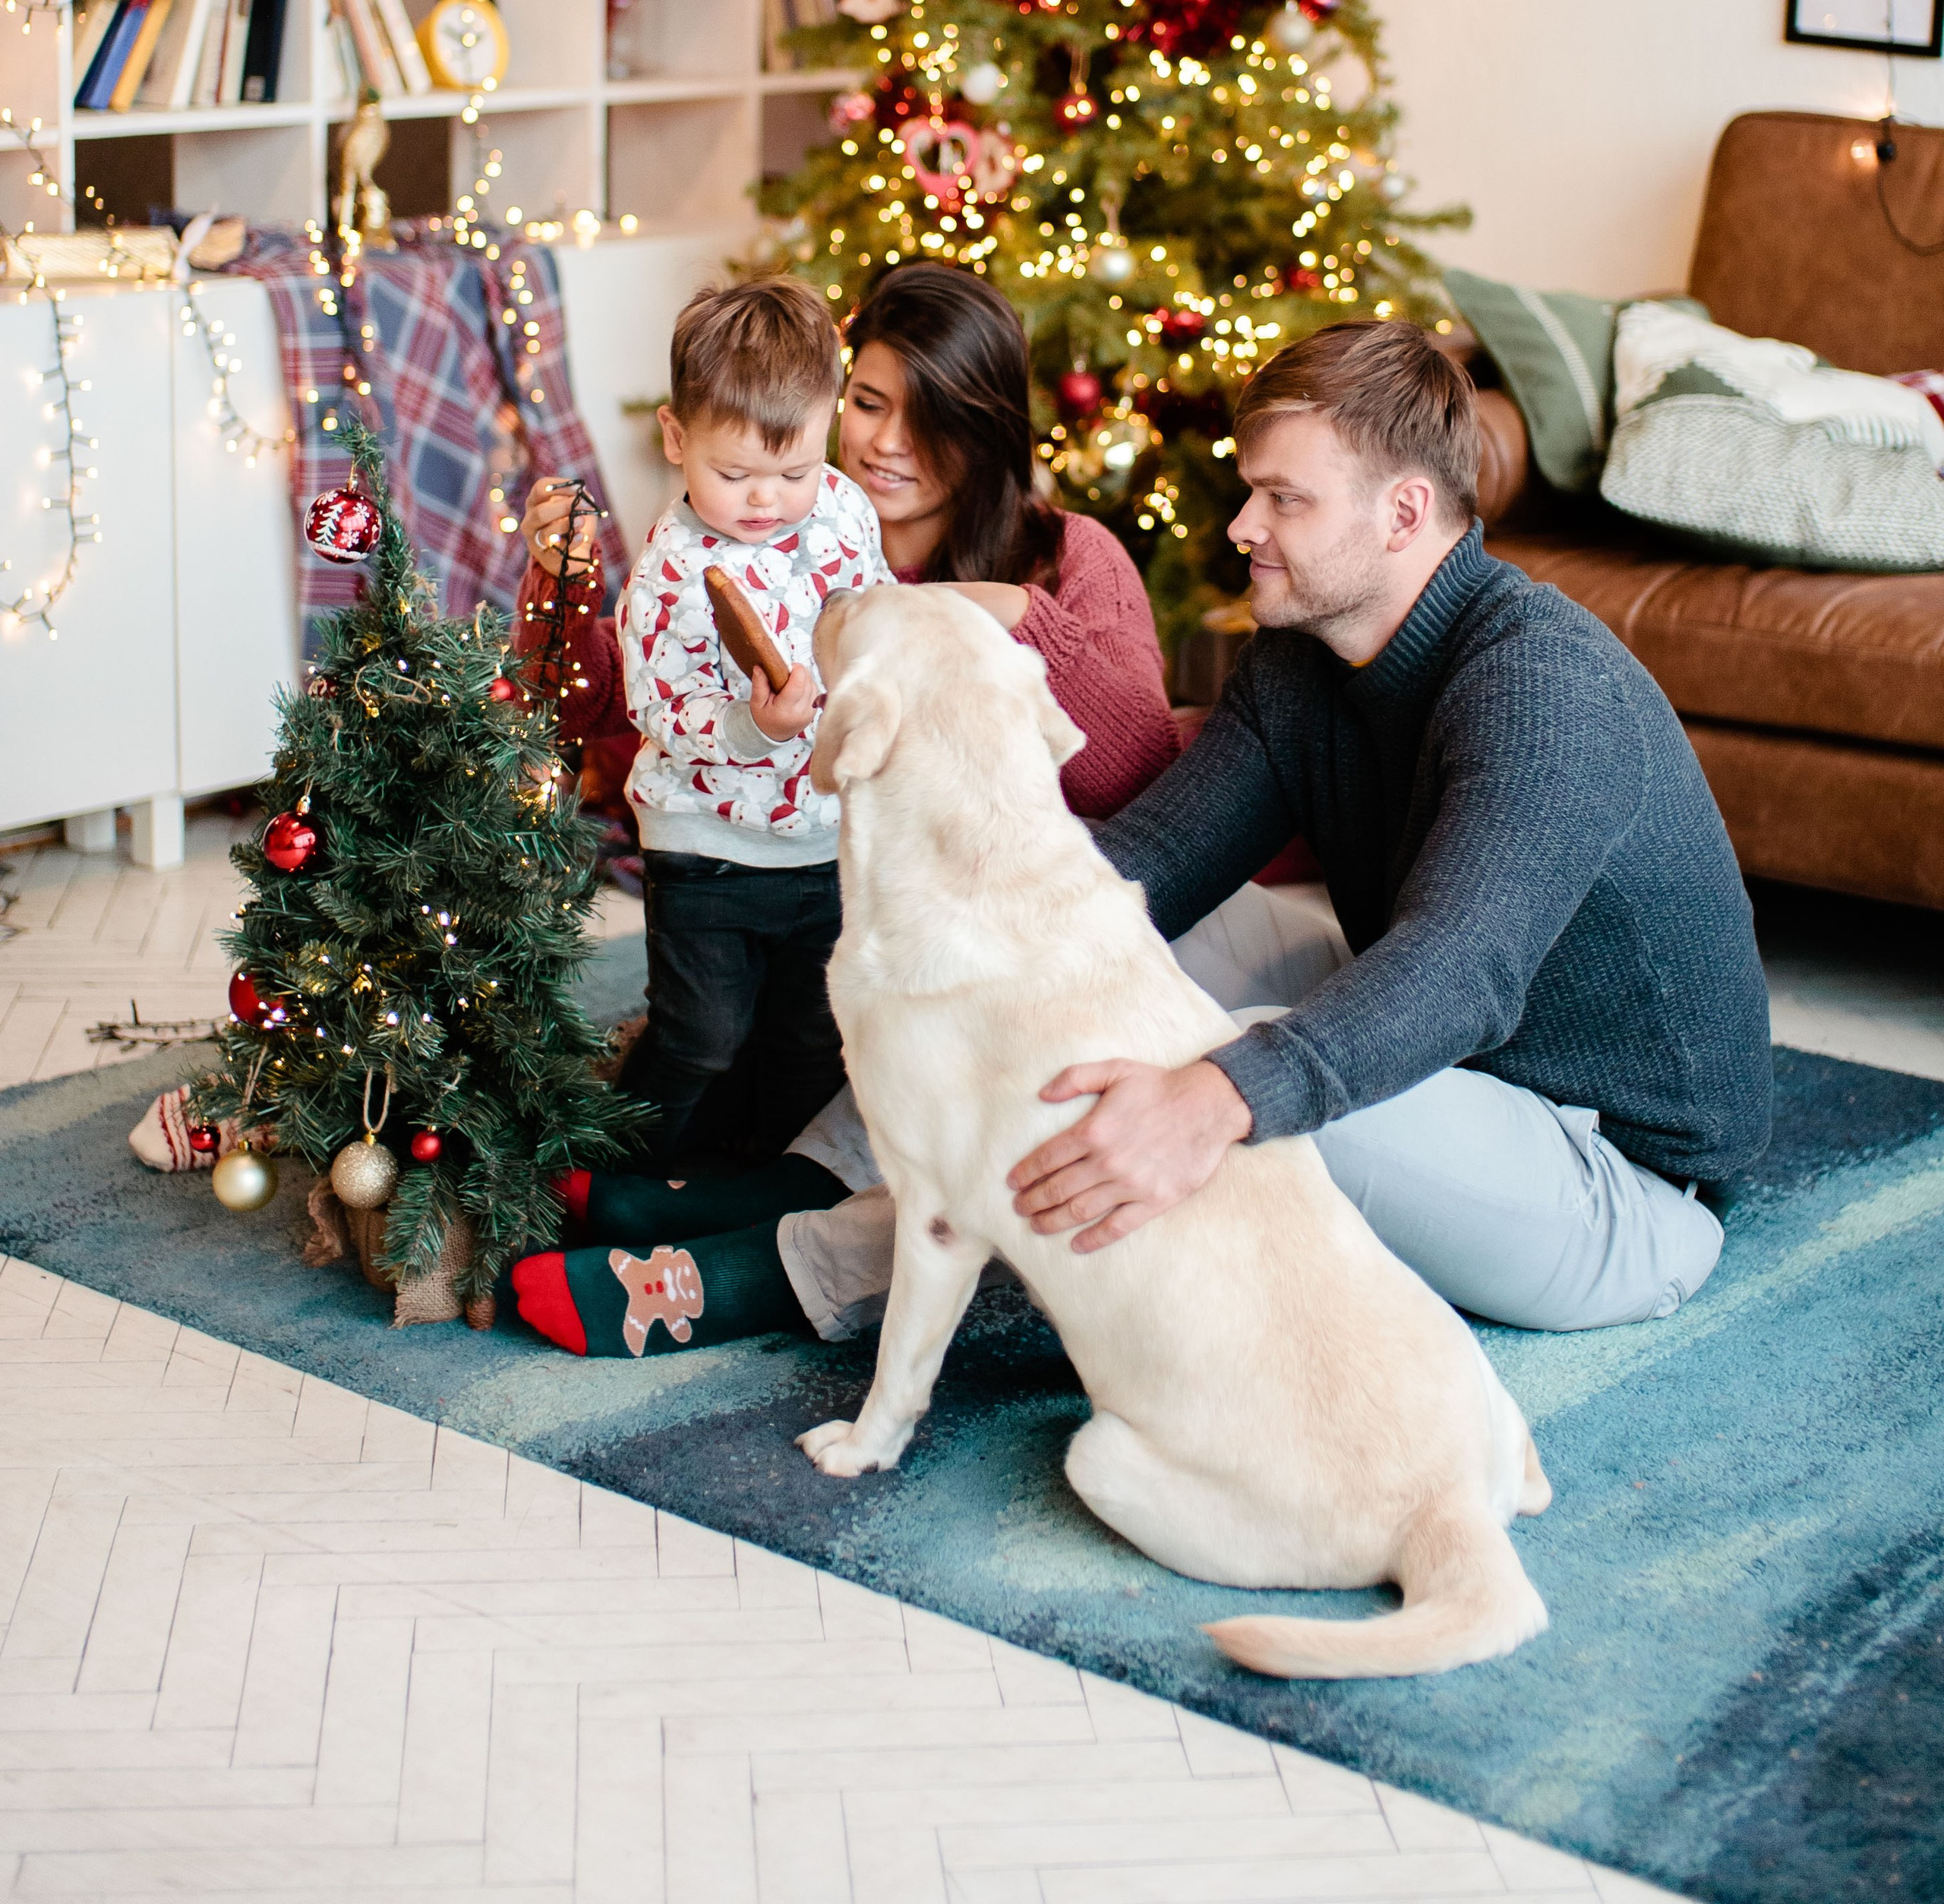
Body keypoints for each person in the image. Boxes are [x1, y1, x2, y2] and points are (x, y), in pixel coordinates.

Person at [1007, 320, 1775, 1333]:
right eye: (1254, 490)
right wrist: (957, 933)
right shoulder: (1302, 655)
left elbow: (1461, 973)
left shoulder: (1541, 682)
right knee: (1109, 934)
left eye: (1285, 499)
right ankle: (813, 1186)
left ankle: (823, 1264)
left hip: (1617, 1184)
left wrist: (1209, 1097)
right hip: (1449, 1079)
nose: (1242, 526)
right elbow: (1154, 863)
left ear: (1404, 513)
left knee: (1230, 1066)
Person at [509, 262, 1182, 1359]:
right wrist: (563, 584)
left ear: (994, 431)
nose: (887, 445)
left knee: (853, 1050)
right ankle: (705, 1189)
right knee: (741, 1048)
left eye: (939, 418)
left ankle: (738, 1242)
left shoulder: (1059, 556)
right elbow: (607, 712)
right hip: (759, 871)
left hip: (977, 937)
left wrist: (990, 611)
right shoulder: (731, 541)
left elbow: (1138, 758)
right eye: (870, 403)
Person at [574, 274, 889, 1171]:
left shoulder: (840, 509)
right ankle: (612, 1168)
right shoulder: (672, 570)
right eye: (734, 473)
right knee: (702, 1036)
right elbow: (659, 708)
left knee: (805, 1042)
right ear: (677, 438)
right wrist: (755, 726)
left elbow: (873, 605)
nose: (766, 500)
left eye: (792, 470)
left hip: (825, 839)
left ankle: (757, 1185)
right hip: (708, 847)